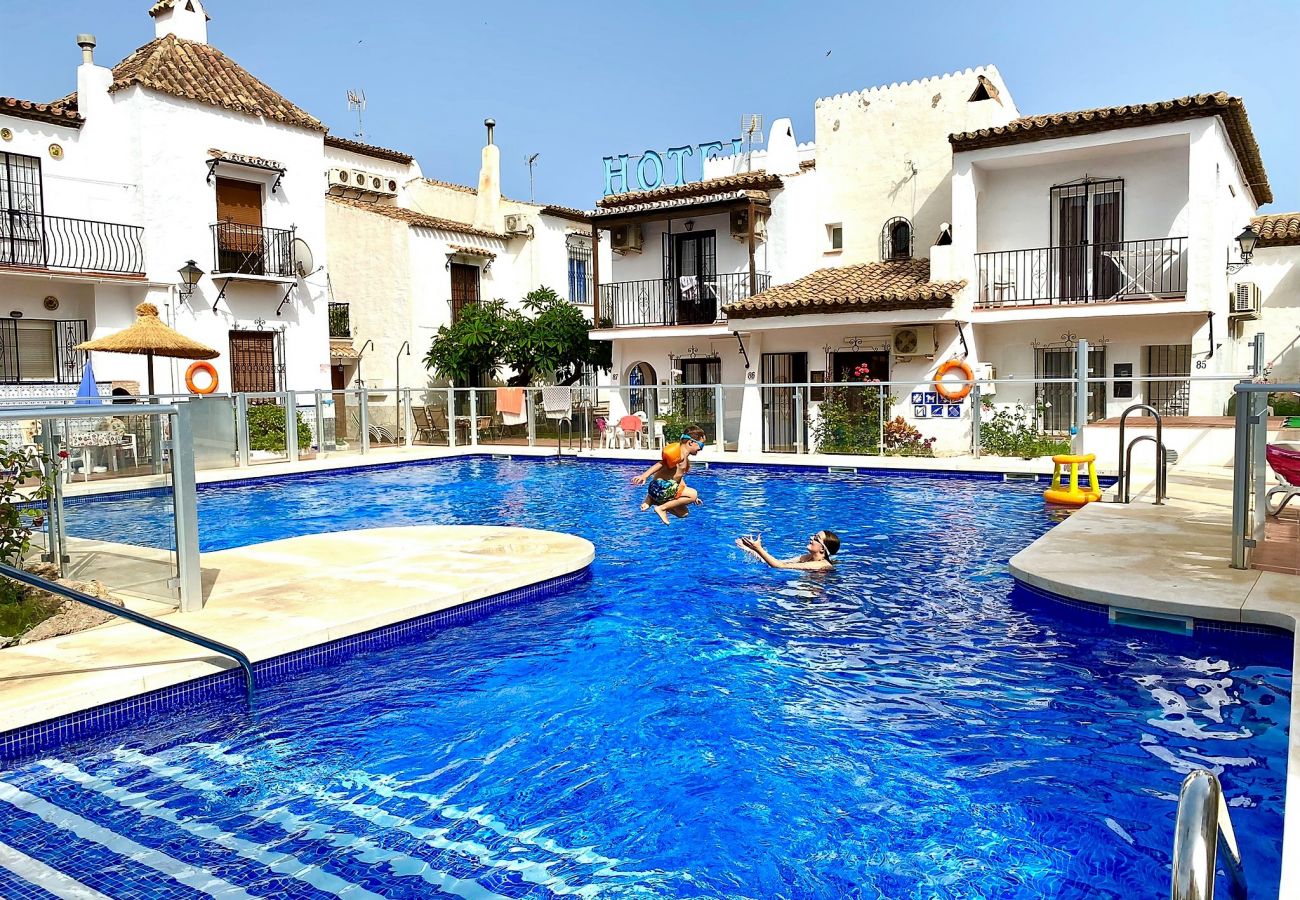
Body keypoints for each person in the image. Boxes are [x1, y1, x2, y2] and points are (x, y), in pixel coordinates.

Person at [631, 425, 707, 525]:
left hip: (662, 489)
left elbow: (679, 479)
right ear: (691, 442)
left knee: (683, 513)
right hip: (659, 487)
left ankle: (654, 501)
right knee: (693, 493)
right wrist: (644, 475)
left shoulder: (684, 458)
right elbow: (661, 464)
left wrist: (692, 499)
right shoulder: (678, 454)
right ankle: (660, 508)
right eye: (701, 445)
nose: (701, 449)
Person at [736, 530, 840, 571]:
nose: (811, 538)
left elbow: (779, 566)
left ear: (822, 548)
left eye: (816, 538)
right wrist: (750, 549)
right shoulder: (807, 557)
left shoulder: (820, 565)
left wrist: (758, 549)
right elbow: (777, 562)